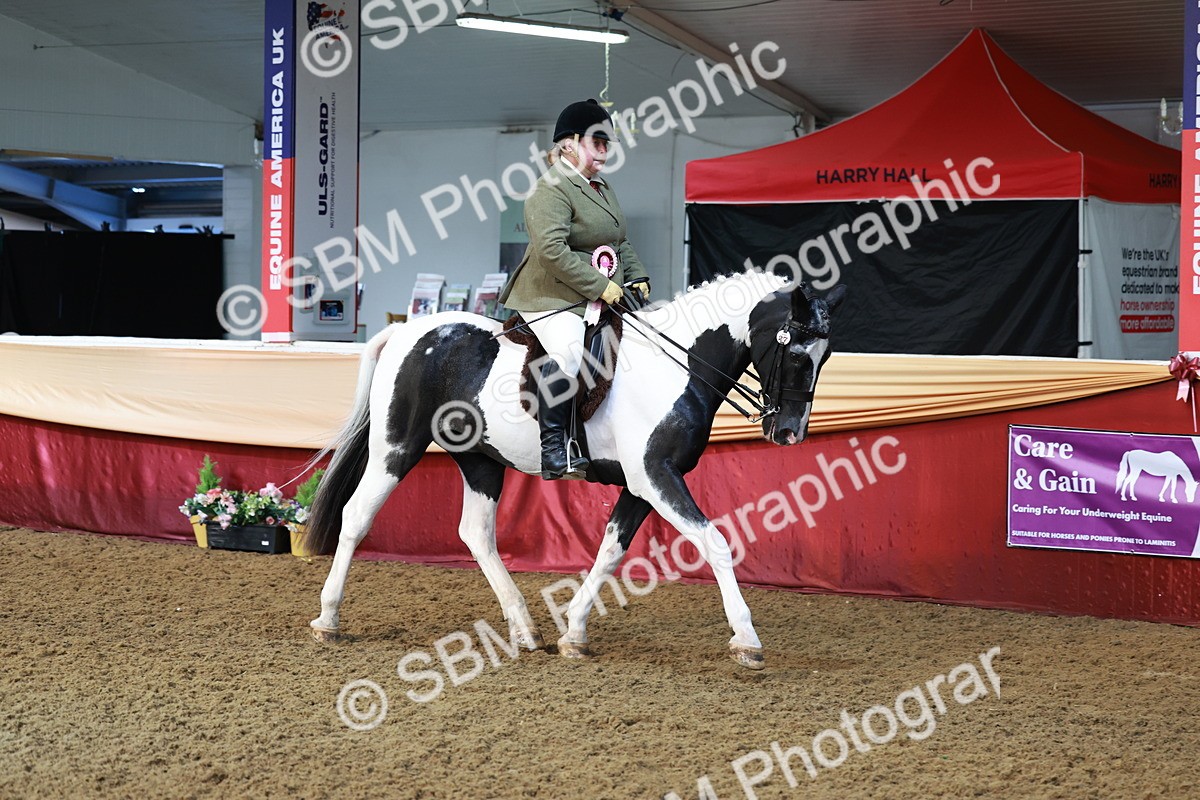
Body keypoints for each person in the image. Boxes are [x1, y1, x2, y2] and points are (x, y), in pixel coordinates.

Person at [498, 99, 650, 480]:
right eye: (597, 142)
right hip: (549, 295)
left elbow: (619, 241)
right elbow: (551, 251)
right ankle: (554, 450)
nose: (604, 151)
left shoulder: (600, 186)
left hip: (591, 294)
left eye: (608, 144)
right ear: (568, 144)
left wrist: (636, 274)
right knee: (567, 355)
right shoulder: (550, 189)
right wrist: (602, 286)